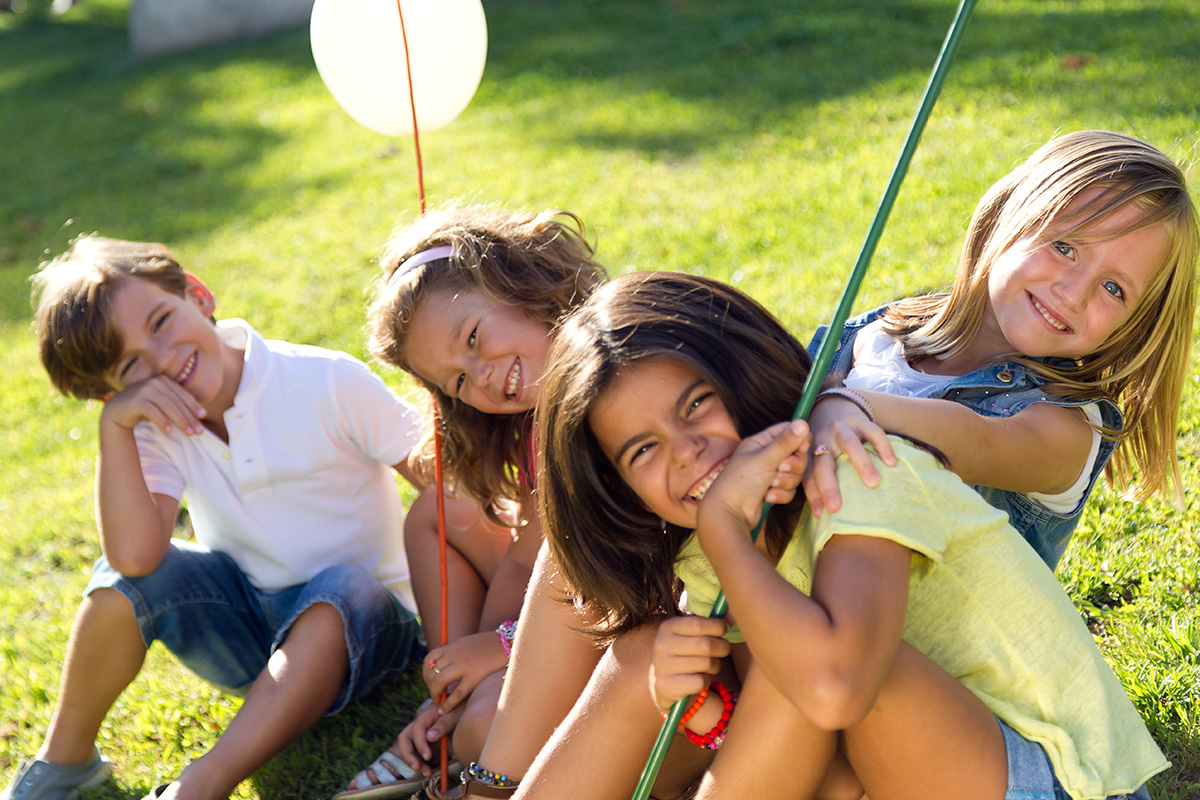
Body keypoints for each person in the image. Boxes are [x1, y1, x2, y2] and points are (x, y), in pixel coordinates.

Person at [494, 270, 1163, 800]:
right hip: (898, 766)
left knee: (810, 658)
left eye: (697, 404)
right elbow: (777, 726)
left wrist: (726, 527)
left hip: (1051, 779)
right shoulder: (704, 545)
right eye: (642, 450)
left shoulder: (855, 469)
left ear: (744, 371)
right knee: (651, 654)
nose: (687, 452)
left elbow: (832, 689)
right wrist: (703, 712)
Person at [4, 236, 426, 800]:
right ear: (109, 392)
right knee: (120, 581)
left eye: (160, 321)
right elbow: (135, 559)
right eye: (131, 365)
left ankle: (203, 782)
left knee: (340, 587)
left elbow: (449, 486)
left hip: (375, 630)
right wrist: (117, 429)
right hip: (257, 636)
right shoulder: (153, 427)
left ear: (197, 296)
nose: (162, 359)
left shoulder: (324, 380)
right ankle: (67, 758)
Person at [804, 130, 1197, 568]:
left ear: (1134, 324)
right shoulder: (872, 336)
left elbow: (978, 442)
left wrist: (850, 405)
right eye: (1064, 247)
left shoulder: (1065, 429)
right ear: (1010, 215)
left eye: (1112, 288)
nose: (1073, 293)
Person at [338, 204, 606, 798]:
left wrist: (500, 649)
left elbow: (610, 581)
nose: (481, 377)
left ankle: (465, 741)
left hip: (632, 621)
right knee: (439, 512)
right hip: (560, 607)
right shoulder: (535, 422)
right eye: (457, 380)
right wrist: (469, 665)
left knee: (487, 723)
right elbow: (526, 560)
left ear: (524, 285)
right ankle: (450, 713)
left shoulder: (611, 387)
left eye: (475, 338)